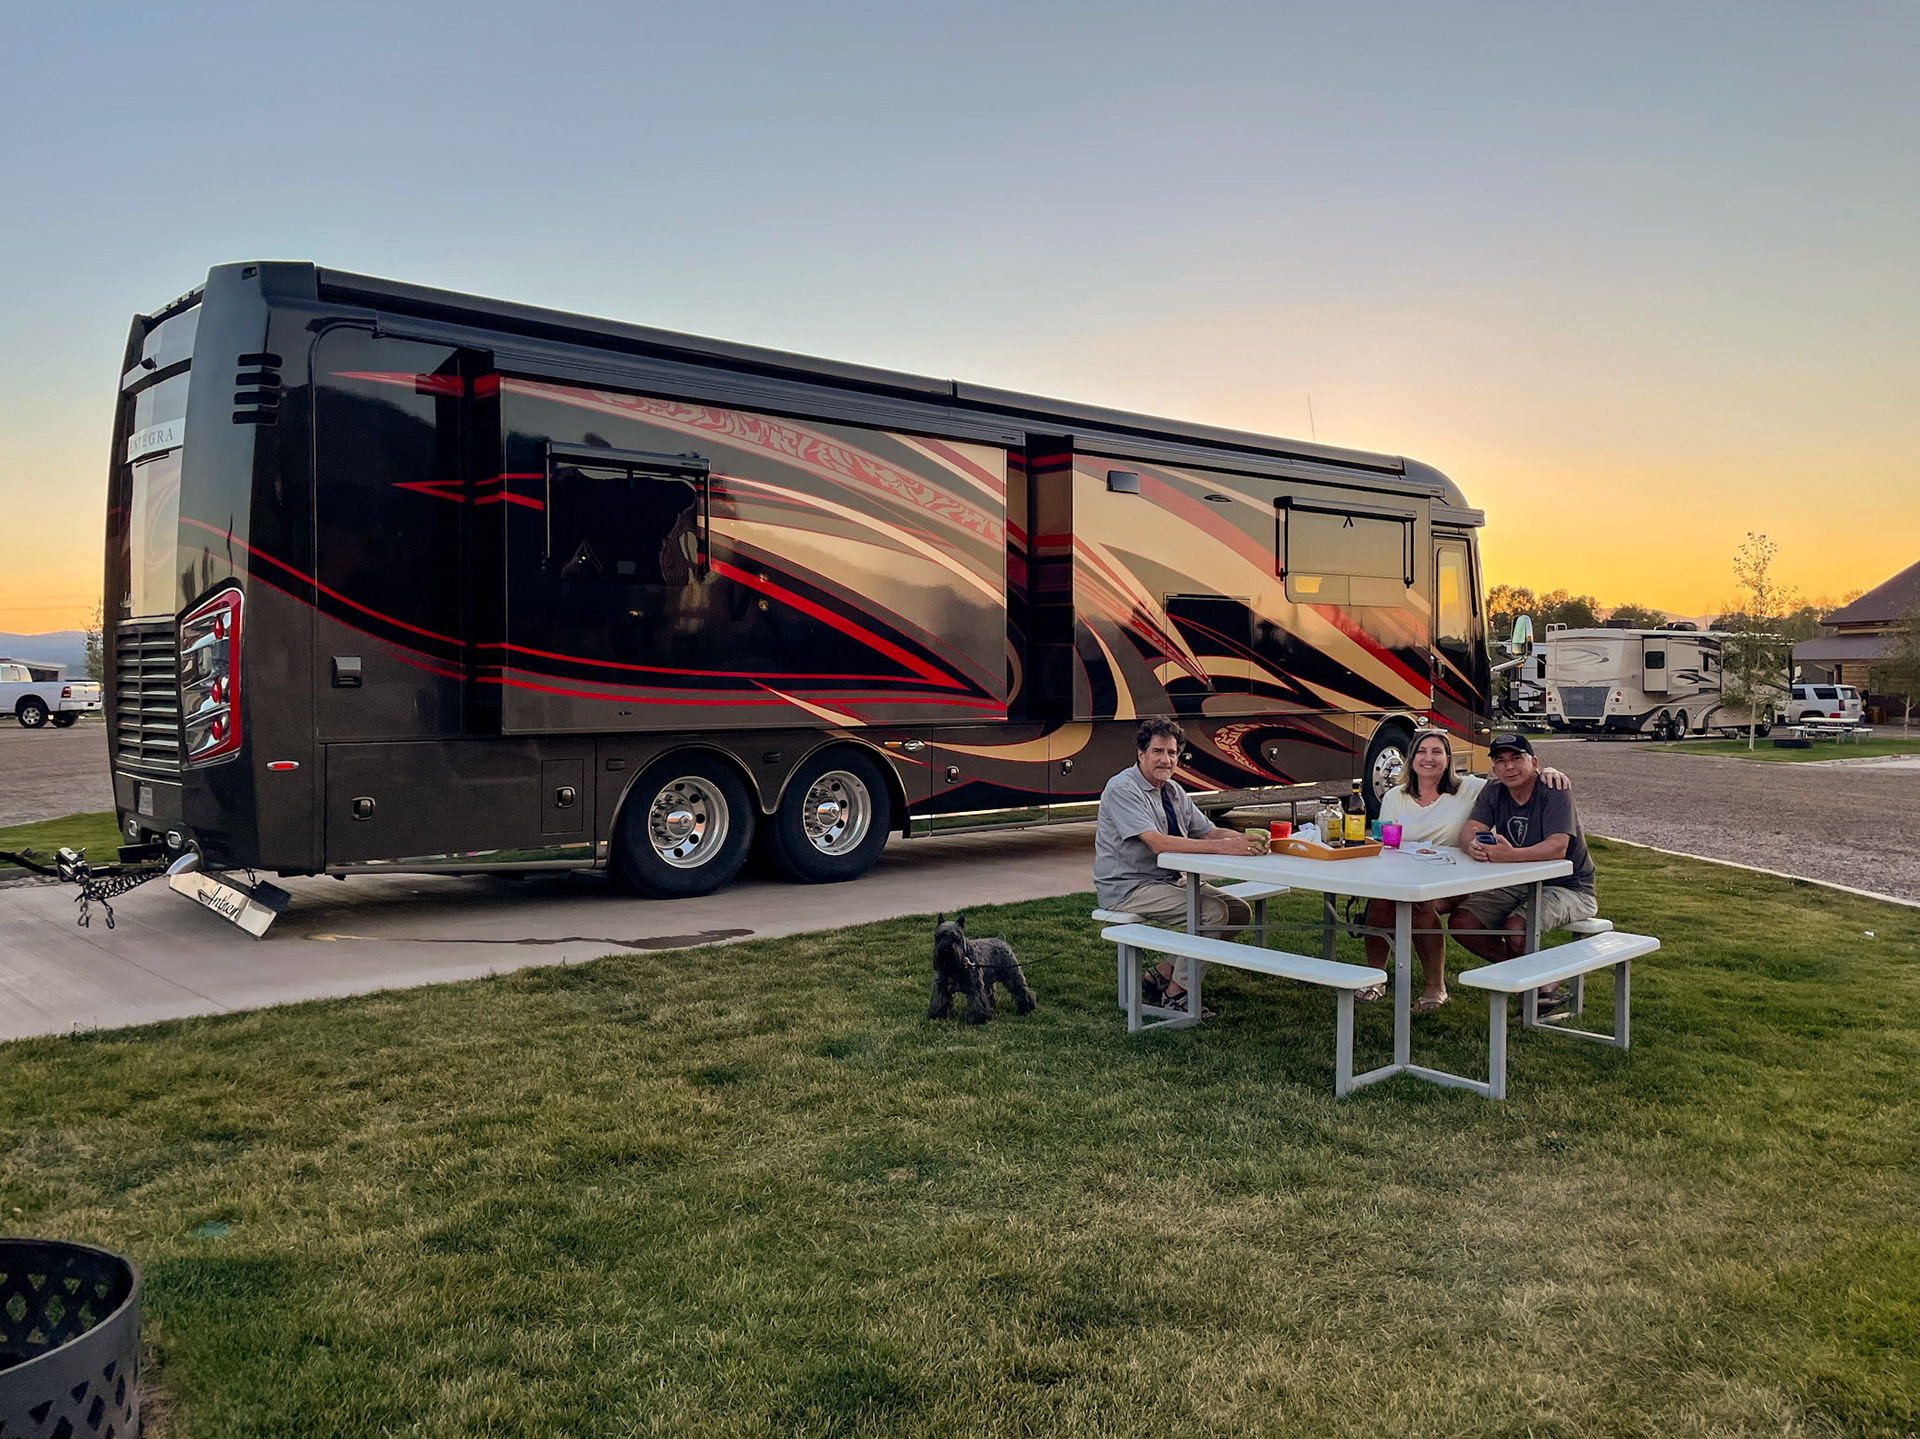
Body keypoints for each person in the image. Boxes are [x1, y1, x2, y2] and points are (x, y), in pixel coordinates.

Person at [1358, 730, 1570, 1012]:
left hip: (1454, 879)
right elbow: (1385, 838)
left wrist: (1545, 771)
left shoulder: (1469, 788)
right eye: (1421, 752)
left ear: (1448, 759)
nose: (1428, 758)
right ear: (1411, 759)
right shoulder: (1395, 795)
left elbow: (1513, 774)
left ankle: (1436, 986)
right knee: (1381, 900)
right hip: (1403, 874)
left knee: (1419, 905)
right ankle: (1376, 977)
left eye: (1437, 752)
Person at [1095, 718, 1259, 1008]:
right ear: (1141, 754)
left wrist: (1248, 839)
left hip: (1167, 880)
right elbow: (1157, 843)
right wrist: (1222, 847)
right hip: (1129, 887)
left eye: (1172, 753)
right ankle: (1177, 995)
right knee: (1212, 913)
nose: (1166, 760)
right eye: (1158, 751)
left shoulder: (1173, 791)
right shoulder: (1123, 788)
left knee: (1238, 912)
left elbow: (1209, 830)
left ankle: (1163, 973)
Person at [1448, 731, 1598, 1010]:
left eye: (1517, 758)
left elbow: (1558, 848)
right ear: (1493, 767)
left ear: (1534, 762)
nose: (1509, 767)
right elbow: (1470, 830)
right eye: (1500, 761)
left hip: (1569, 886)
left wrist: (1510, 855)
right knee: (1462, 923)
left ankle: (1533, 985)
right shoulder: (1493, 790)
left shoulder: (1553, 790)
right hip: (1518, 880)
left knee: (1518, 928)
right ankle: (1537, 978)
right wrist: (1472, 846)